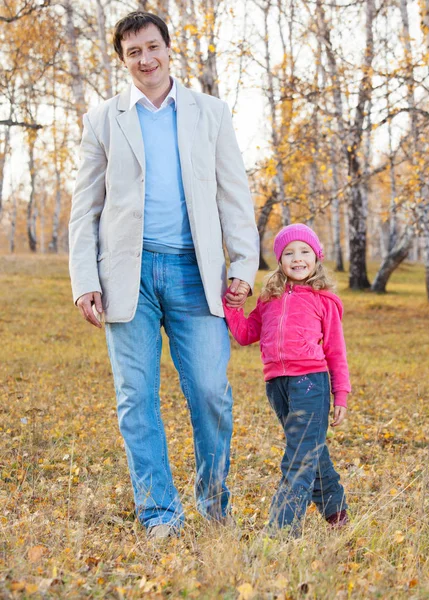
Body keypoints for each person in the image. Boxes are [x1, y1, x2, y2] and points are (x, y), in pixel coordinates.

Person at [68, 11, 259, 538]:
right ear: (123, 59)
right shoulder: (104, 119)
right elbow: (84, 208)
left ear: (168, 49)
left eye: (152, 47)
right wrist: (85, 279)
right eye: (133, 52)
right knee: (136, 397)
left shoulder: (210, 113)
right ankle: (159, 514)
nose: (145, 60)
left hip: (195, 272)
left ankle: (214, 503)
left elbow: (232, 194)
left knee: (210, 392)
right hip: (126, 275)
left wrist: (243, 263)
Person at [223, 224, 350, 536]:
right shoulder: (268, 300)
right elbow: (244, 334)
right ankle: (337, 513)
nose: (297, 258)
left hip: (311, 382)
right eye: (289, 253)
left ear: (316, 258)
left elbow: (336, 350)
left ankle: (281, 529)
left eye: (304, 251)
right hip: (277, 386)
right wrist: (232, 307)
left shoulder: (324, 301)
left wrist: (341, 394)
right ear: (279, 260)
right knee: (311, 450)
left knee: (299, 456)